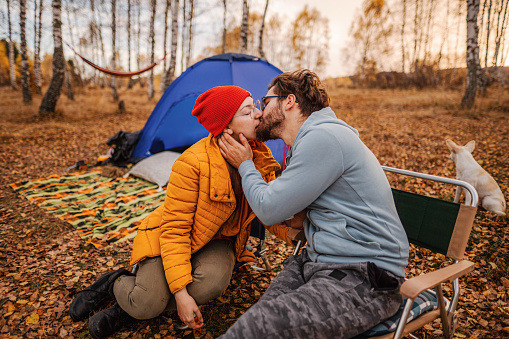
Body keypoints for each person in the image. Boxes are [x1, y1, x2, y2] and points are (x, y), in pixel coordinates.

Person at [68, 86, 300, 339]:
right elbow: (175, 230)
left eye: (255, 106)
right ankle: (116, 286)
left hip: (217, 240)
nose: (259, 114)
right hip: (173, 238)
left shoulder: (259, 158)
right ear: (227, 127)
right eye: (248, 112)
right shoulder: (192, 163)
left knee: (209, 284)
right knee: (149, 300)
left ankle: (136, 305)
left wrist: (302, 235)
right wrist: (180, 295)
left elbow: (267, 208)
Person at [217, 70, 410, 338]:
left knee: (257, 327)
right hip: (320, 262)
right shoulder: (309, 140)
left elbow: (269, 209)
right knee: (261, 316)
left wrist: (245, 165)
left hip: (366, 278)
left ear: (289, 102)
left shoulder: (324, 139)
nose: (260, 112)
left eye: (266, 101)